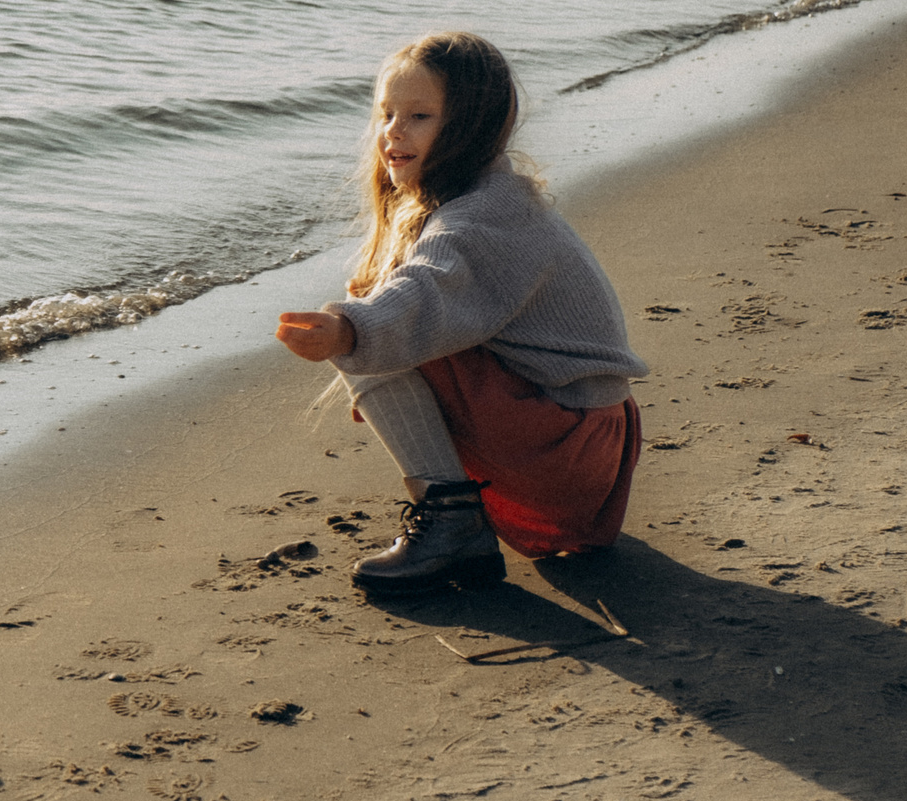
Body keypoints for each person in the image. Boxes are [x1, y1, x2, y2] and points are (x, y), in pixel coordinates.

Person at [274, 31, 646, 593]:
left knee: (376, 318)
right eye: (386, 114)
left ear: (471, 125)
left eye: (419, 116)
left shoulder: (477, 221)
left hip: (567, 452)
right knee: (383, 315)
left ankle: (451, 523)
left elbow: (424, 292)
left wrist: (350, 328)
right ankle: (454, 515)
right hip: (591, 452)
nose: (392, 132)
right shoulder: (493, 197)